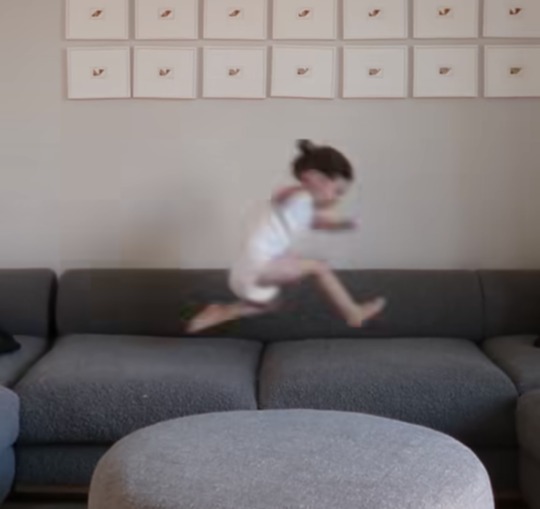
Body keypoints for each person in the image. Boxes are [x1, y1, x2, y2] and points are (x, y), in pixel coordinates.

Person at [187, 139, 386, 333]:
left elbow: (317, 223)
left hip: (249, 273)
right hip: (259, 266)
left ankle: (222, 311)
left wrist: (343, 224)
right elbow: (282, 198)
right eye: (337, 191)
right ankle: (353, 312)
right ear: (315, 178)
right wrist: (305, 187)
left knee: (270, 304)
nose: (337, 198)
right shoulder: (296, 195)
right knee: (319, 267)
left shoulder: (304, 208)